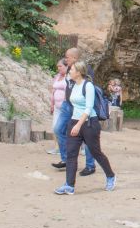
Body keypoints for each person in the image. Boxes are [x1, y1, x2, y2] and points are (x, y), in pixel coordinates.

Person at [54, 60, 116, 195]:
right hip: (74, 121)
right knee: (71, 154)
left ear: (79, 72)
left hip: (89, 123)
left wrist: (78, 125)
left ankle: (110, 176)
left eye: (72, 70)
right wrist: (74, 123)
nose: (69, 71)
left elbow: (88, 108)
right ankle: (69, 185)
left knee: (96, 153)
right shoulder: (72, 84)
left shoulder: (88, 86)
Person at [52, 48, 96, 176]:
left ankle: (90, 165)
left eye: (68, 57)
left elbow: (88, 86)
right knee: (58, 129)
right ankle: (66, 159)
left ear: (75, 58)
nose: (66, 59)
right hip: (67, 105)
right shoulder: (68, 69)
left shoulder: (85, 69)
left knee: (87, 137)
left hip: (80, 107)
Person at [48, 59, 67, 155]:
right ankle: (56, 147)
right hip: (56, 106)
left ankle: (64, 148)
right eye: (58, 66)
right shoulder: (57, 77)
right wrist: (52, 104)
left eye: (60, 66)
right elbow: (53, 91)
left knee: (62, 128)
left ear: (66, 66)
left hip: (65, 107)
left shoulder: (68, 78)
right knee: (55, 127)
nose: (58, 68)